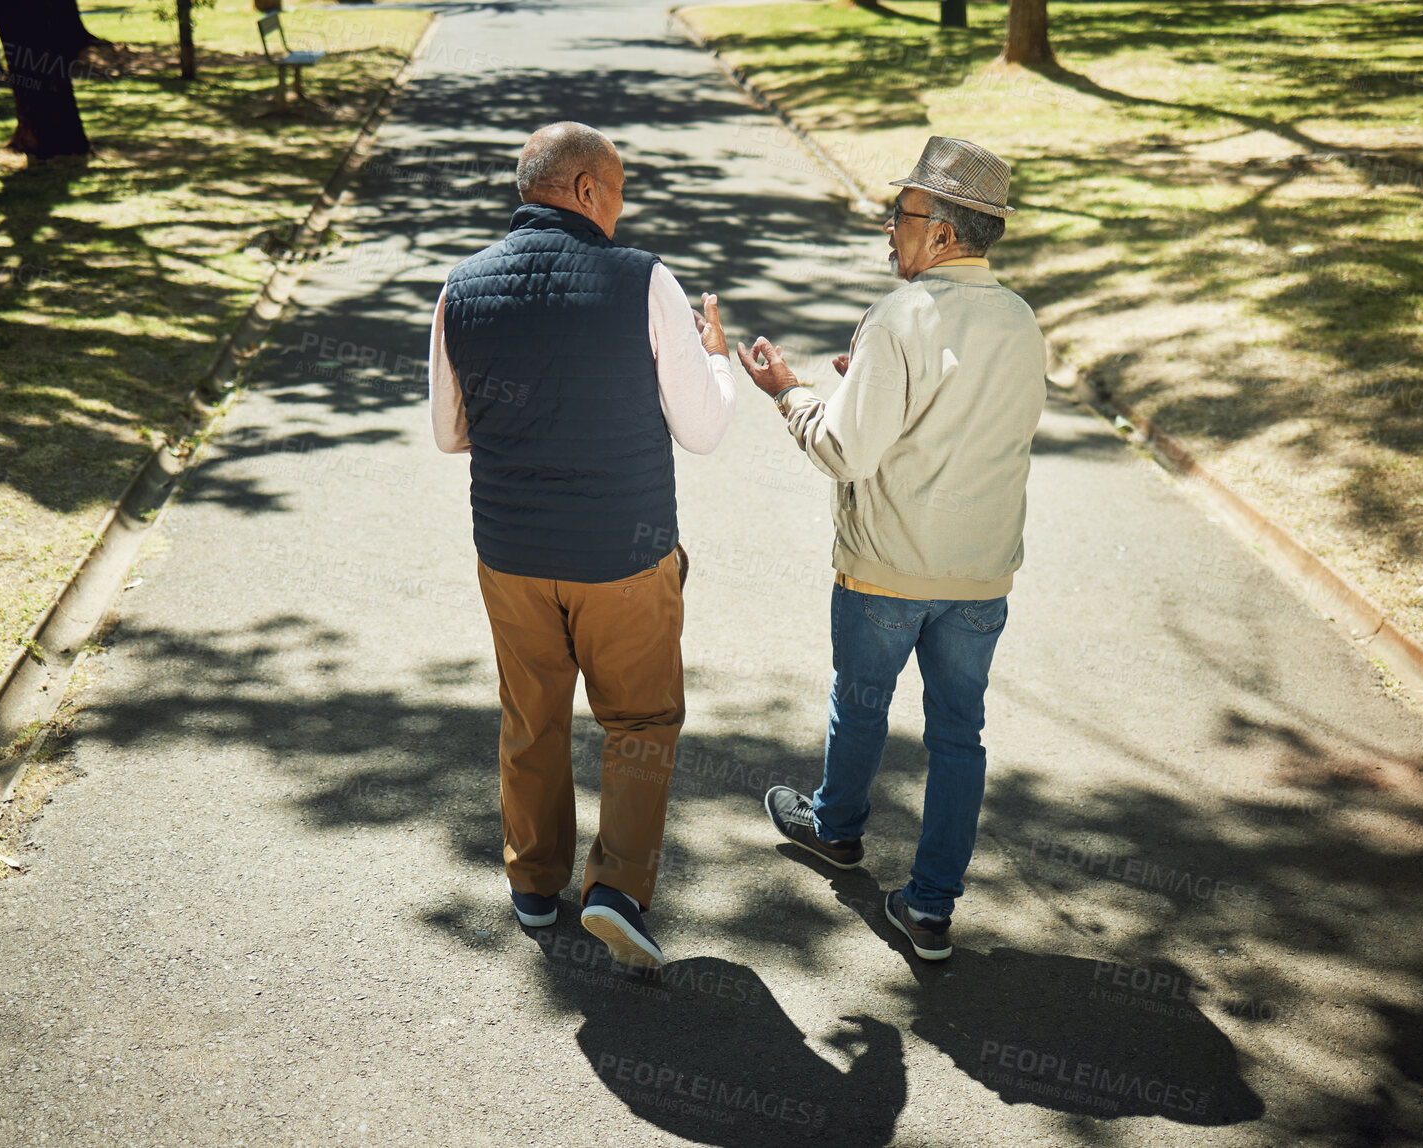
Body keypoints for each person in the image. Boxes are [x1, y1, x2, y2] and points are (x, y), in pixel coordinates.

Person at [428, 121, 735, 968]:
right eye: (620, 192)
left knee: (532, 718)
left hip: (513, 556)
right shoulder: (643, 280)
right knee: (639, 719)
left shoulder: (461, 287)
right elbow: (702, 431)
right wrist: (716, 361)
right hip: (623, 559)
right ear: (590, 190)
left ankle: (534, 886)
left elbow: (451, 433)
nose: (620, 211)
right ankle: (617, 888)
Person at [737, 137, 1046, 961]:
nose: (889, 227)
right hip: (981, 572)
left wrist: (790, 392)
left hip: (887, 567)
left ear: (943, 234)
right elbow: (978, 426)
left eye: (904, 215)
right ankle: (932, 907)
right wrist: (868, 383)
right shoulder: (1020, 318)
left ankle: (837, 830)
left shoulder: (898, 314)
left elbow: (844, 452)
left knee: (862, 700)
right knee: (959, 734)